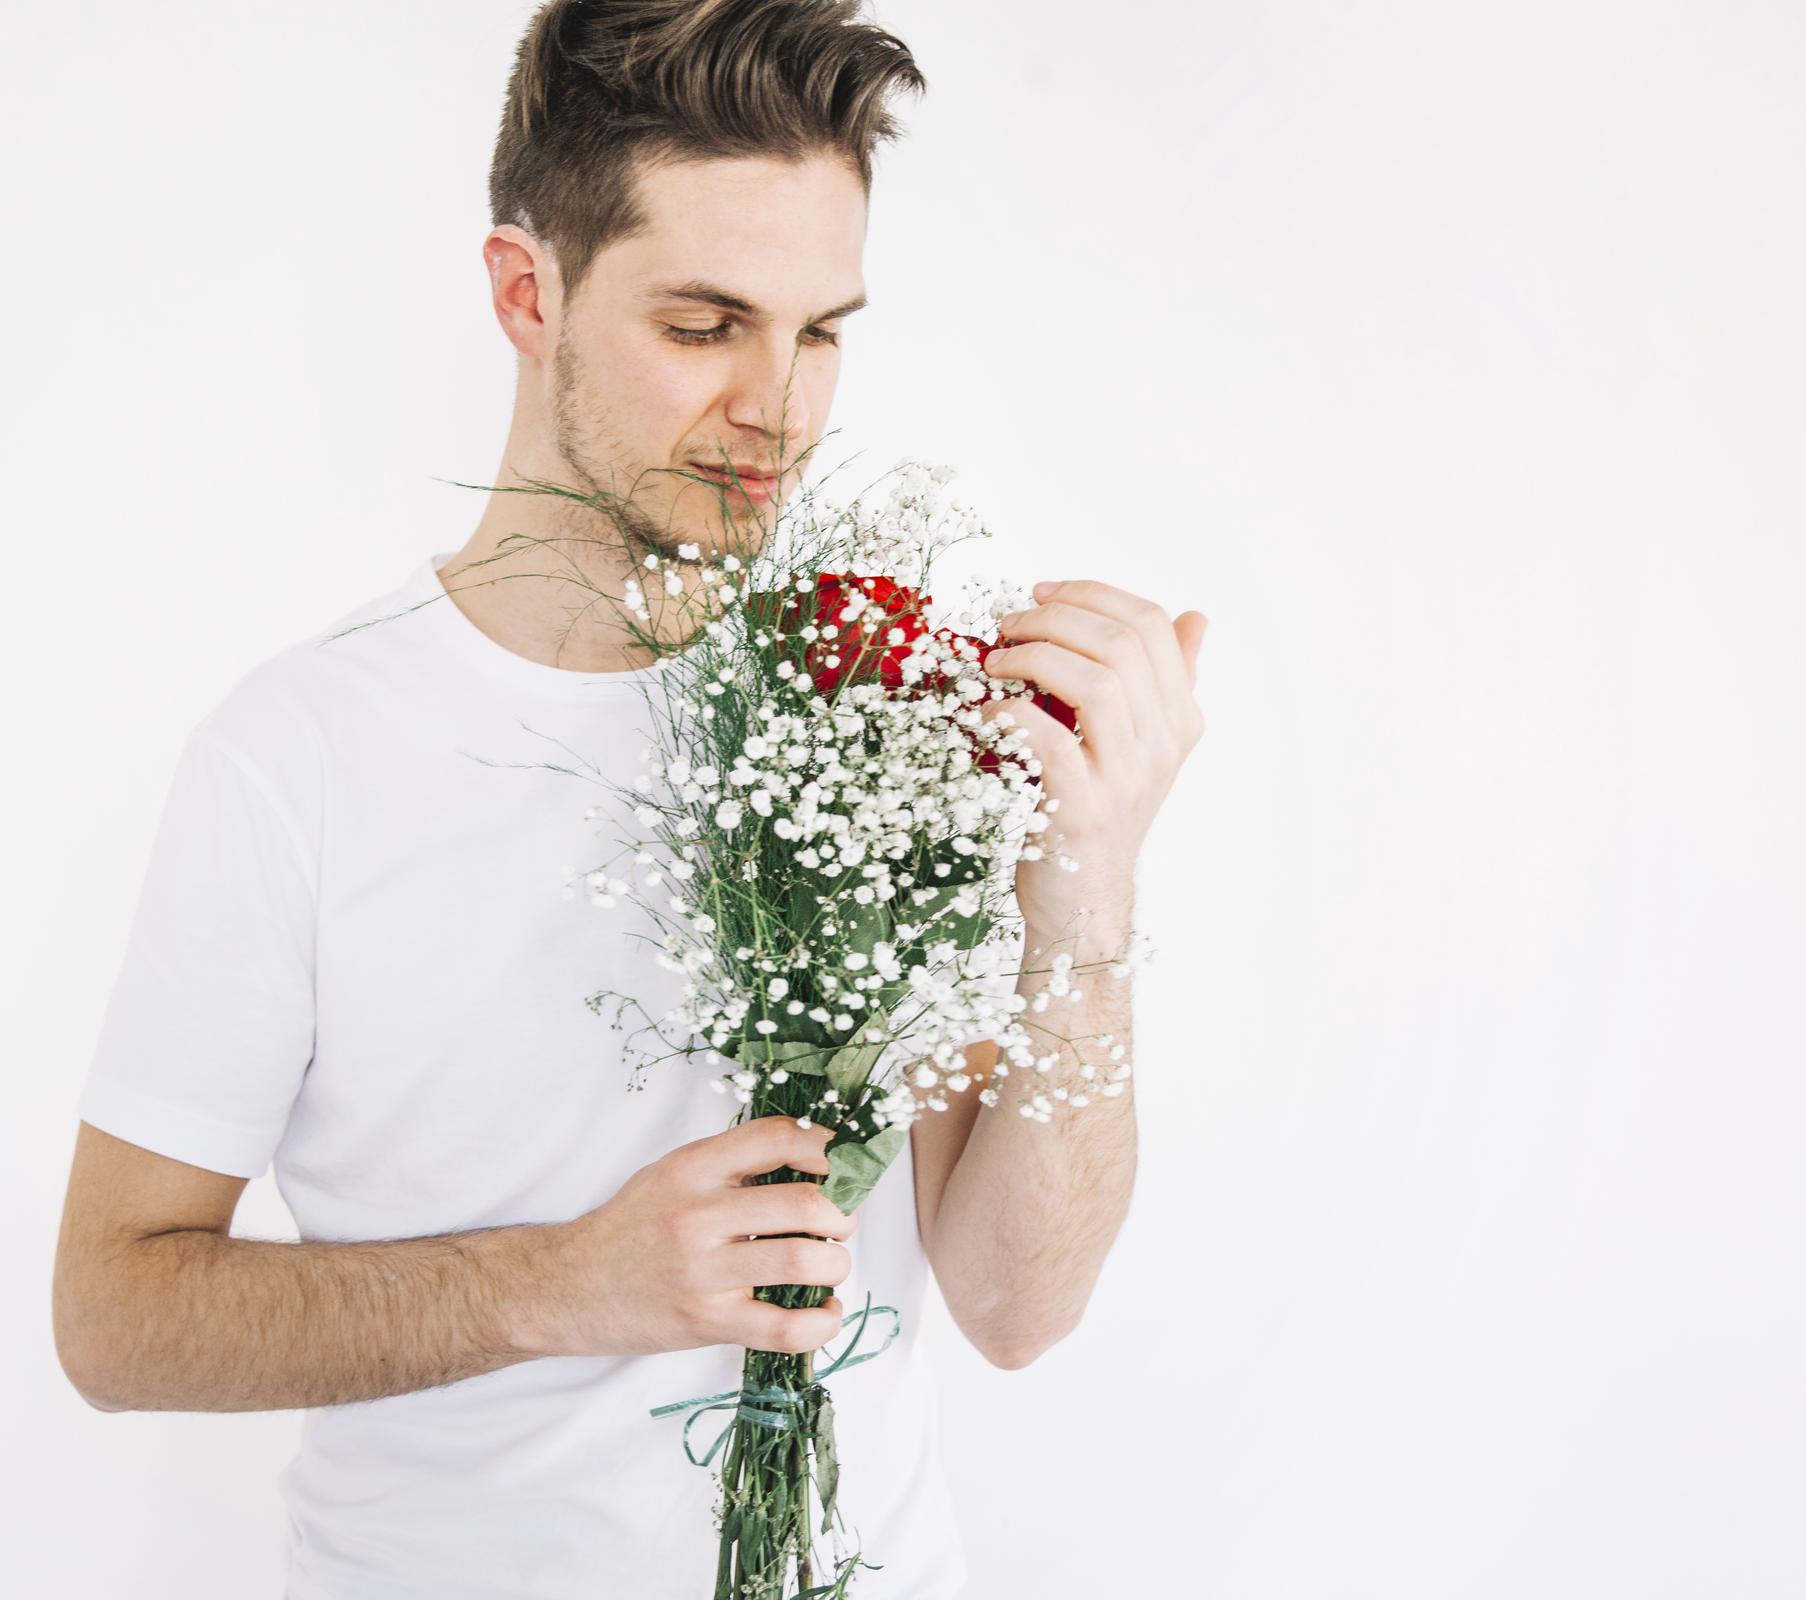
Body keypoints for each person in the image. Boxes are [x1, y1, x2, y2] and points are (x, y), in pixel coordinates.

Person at [49, 3, 1207, 1596]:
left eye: (821, 330)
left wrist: (1088, 889)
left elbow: (1017, 1307)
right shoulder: (297, 755)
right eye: (703, 322)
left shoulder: (863, 703)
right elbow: (113, 1321)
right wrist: (566, 1285)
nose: (781, 411)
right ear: (529, 292)